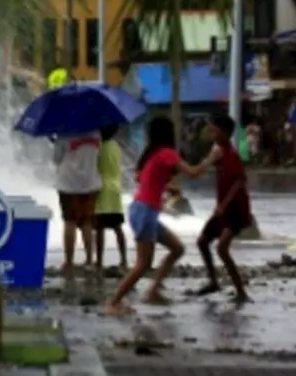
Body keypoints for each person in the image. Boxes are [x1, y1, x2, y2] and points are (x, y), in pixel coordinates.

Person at [103, 117, 210, 316]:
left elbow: (139, 177)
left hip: (142, 210)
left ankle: (153, 291)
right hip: (145, 212)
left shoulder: (151, 154)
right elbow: (193, 173)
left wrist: (164, 185)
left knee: (177, 248)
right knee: (143, 264)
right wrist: (210, 158)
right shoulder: (168, 153)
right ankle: (113, 302)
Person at [190, 114, 252, 302]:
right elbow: (202, 166)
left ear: (224, 132)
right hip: (222, 208)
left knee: (222, 248)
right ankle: (213, 281)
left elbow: (240, 181)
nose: (211, 133)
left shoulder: (232, 154)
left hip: (234, 210)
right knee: (202, 242)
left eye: (214, 130)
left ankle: (241, 292)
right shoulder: (218, 151)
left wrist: (224, 205)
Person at [55, 130, 102, 275]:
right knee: (87, 223)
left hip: (68, 184)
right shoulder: (96, 134)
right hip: (90, 183)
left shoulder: (64, 134)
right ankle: (89, 261)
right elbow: (96, 154)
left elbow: (56, 159)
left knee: (70, 222)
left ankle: (69, 262)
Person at [94, 124, 128, 272]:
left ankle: (99, 261)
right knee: (117, 227)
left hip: (102, 189)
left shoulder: (99, 148)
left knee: (99, 227)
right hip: (116, 188)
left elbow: (95, 166)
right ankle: (124, 259)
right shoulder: (116, 146)